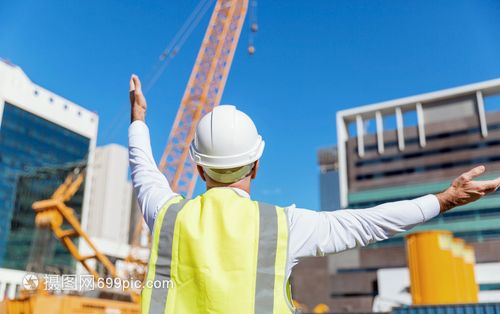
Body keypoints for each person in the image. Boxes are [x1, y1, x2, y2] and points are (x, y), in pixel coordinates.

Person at [128, 74, 500, 314]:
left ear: (197, 168)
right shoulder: (282, 227)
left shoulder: (167, 216)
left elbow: (144, 171)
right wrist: (446, 198)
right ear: (256, 166)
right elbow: (368, 224)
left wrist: (139, 120)